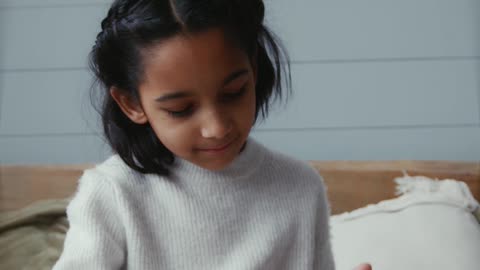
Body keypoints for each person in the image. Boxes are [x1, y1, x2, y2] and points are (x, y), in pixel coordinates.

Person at [53, 0, 372, 269]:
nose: (217, 128)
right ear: (131, 103)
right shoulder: (112, 194)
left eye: (233, 93)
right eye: (180, 109)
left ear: (254, 71)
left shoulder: (301, 186)